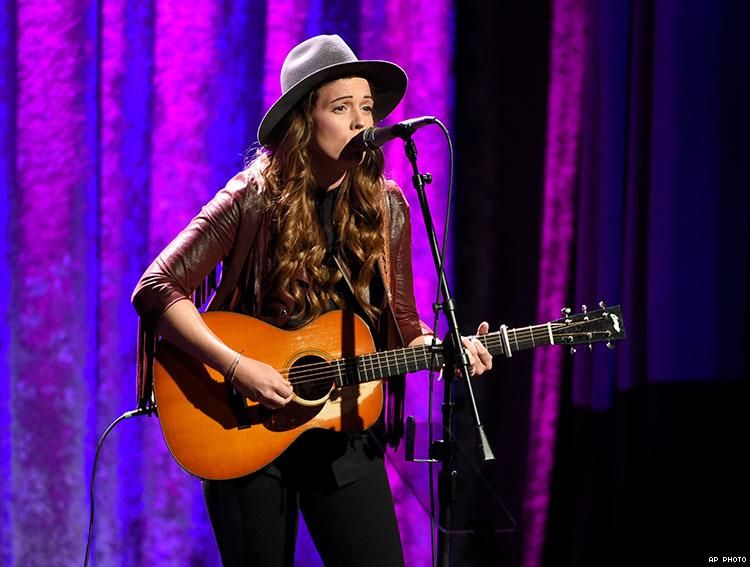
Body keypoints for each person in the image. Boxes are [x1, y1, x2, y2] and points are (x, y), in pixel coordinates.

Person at [132, 34, 492, 566]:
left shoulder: (387, 205)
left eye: (367, 108)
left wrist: (443, 350)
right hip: (246, 427)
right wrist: (237, 368)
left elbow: (402, 322)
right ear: (303, 121)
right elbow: (156, 288)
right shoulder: (251, 197)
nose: (360, 122)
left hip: (341, 427)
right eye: (341, 108)